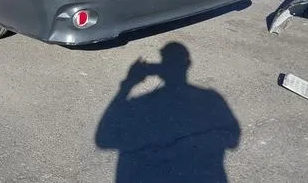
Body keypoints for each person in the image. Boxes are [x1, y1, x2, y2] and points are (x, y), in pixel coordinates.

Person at [96, 42, 241, 182]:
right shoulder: (211, 98)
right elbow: (232, 139)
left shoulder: (140, 104)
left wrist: (127, 85)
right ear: (188, 65)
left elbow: (103, 139)